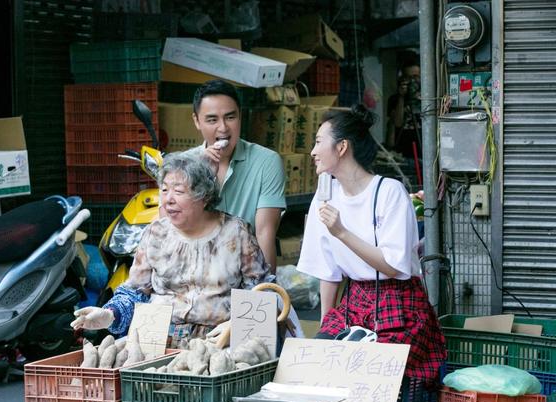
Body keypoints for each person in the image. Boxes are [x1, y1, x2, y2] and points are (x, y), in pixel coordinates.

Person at [296, 105, 446, 384]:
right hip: (353, 303)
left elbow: (392, 266)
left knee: (368, 375)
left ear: (342, 147)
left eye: (318, 142)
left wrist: (341, 232)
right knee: (318, 369)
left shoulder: (389, 191)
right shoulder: (325, 197)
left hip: (399, 304)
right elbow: (328, 272)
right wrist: (325, 331)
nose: (313, 152)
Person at [71, 152, 273, 347]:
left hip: (219, 342)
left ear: (203, 196)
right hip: (158, 341)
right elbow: (135, 292)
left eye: (178, 191)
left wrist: (236, 326)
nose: (168, 199)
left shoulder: (235, 233)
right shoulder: (155, 233)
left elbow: (263, 291)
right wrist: (109, 315)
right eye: (164, 190)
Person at [188, 79, 286, 272]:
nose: (223, 128)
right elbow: (169, 228)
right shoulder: (184, 165)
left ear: (240, 116)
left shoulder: (267, 161)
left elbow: (265, 232)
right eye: (212, 119)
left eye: (230, 117)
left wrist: (264, 289)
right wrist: (201, 175)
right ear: (196, 121)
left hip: (246, 271)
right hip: (194, 272)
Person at [386, 54, 421, 160]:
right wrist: (401, 97)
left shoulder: (428, 98)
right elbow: (397, 123)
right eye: (408, 77)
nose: (413, 81)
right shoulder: (394, 99)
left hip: (424, 148)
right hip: (402, 151)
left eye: (415, 77)